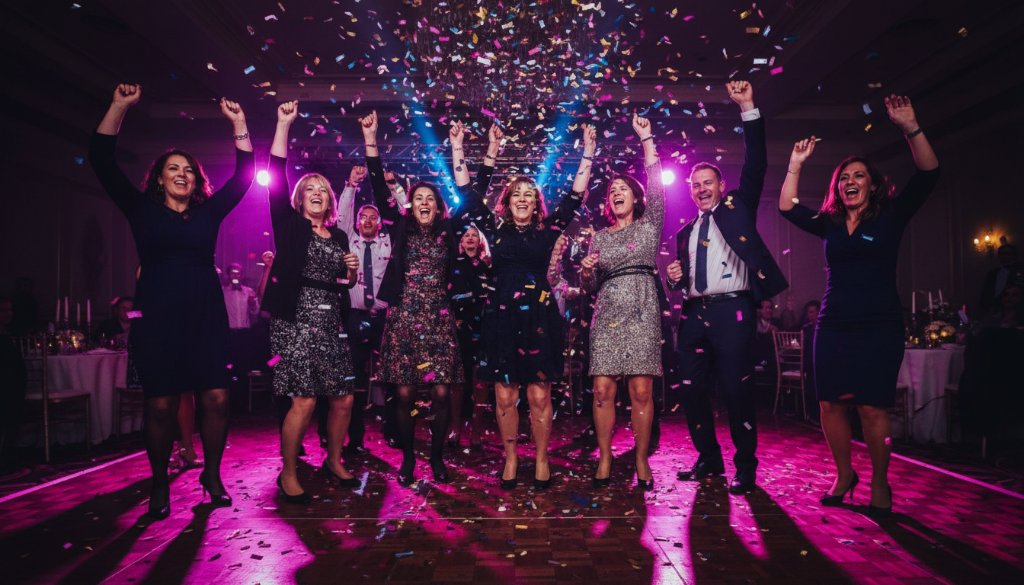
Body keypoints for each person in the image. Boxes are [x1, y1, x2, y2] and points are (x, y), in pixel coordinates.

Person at [89, 83, 255, 519]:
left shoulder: (207, 213)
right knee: (161, 403)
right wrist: (119, 106)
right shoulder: (142, 210)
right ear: (159, 177)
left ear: (197, 180)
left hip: (205, 315)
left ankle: (212, 475)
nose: (182, 173)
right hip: (159, 317)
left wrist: (238, 124)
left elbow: (243, 178)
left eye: (188, 169)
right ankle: (160, 482)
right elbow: (101, 160)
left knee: (217, 398)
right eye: (173, 168)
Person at [779, 94, 940, 517]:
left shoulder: (891, 217)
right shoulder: (831, 223)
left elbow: (928, 174)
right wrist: (796, 164)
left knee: (872, 406)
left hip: (879, 324)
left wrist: (911, 128)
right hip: (834, 324)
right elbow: (786, 207)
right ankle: (844, 474)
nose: (850, 181)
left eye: (858, 176)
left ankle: (881, 481)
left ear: (872, 184)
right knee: (830, 403)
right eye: (844, 177)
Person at [456, 120, 597, 490]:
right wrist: (465, 147)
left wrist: (587, 152)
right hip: (500, 316)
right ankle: (511, 458)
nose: (522, 198)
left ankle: (541, 457)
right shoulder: (494, 228)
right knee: (504, 392)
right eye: (516, 193)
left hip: (538, 315)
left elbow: (574, 197)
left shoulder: (548, 230)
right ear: (508, 200)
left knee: (539, 392)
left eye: (528, 194)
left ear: (536, 203)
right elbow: (467, 194)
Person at [666, 80, 787, 494]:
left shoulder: (737, 209)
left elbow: (756, 166)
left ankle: (745, 465)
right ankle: (709, 458)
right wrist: (673, 277)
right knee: (692, 389)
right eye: (694, 184)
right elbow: (682, 275)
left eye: (707, 183)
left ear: (720, 187)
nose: (701, 189)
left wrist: (748, 107)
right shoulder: (685, 232)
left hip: (733, 311)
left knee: (736, 391)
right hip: (694, 314)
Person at [362, 111, 468, 486]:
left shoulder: (449, 233)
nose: (424, 202)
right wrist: (371, 139)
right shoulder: (402, 227)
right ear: (411, 205)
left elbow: (472, 194)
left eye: (430, 199)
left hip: (438, 321)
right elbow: (378, 185)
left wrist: (457, 148)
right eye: (417, 198)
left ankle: (436, 458)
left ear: (438, 207)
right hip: (405, 317)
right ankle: (409, 458)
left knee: (441, 391)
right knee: (404, 393)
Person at [263, 101, 362, 502]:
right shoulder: (289, 226)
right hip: (295, 319)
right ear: (300, 198)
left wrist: (352, 273)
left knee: (343, 396)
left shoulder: (338, 237)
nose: (318, 193)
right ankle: (288, 471)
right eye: (311, 190)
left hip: (330, 321)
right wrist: (283, 124)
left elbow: (342, 284)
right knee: (303, 398)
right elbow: (276, 174)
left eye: (324, 190)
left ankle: (333, 458)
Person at [578, 113, 664, 491]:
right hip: (608, 313)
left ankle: (642, 458)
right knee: (602, 391)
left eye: (622, 188)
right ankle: (607, 455)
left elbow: (659, 188)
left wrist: (646, 139)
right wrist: (585, 271)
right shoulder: (597, 237)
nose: (615, 192)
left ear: (635, 196)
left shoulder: (650, 225)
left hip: (643, 311)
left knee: (642, 392)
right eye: (611, 190)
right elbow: (590, 286)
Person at [335, 163, 407, 455]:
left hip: (384, 318)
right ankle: (354, 437)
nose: (366, 219)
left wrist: (394, 188)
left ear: (379, 222)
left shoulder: (388, 241)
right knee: (353, 377)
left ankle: (393, 431)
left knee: (390, 375)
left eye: (372, 216)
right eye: (362, 216)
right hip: (354, 316)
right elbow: (342, 216)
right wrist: (351, 186)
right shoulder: (348, 240)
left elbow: (406, 216)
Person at [448, 225, 493, 451]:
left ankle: (476, 431)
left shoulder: (487, 267)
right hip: (459, 329)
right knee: (458, 380)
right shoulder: (453, 265)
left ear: (480, 241)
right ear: (461, 242)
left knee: (480, 381)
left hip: (485, 329)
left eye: (475, 235)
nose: (470, 238)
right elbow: (450, 297)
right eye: (466, 235)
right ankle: (455, 428)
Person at [0, 296, 27, 470]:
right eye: (4, 310)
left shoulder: (7, 334)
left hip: (12, 386)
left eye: (10, 310)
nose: (8, 314)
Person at [979, 245, 1024, 317]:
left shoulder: (1021, 271)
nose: (1004, 256)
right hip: (993, 312)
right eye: (1001, 254)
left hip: (1016, 313)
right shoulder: (992, 273)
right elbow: (986, 293)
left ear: (1014, 255)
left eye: (1007, 253)